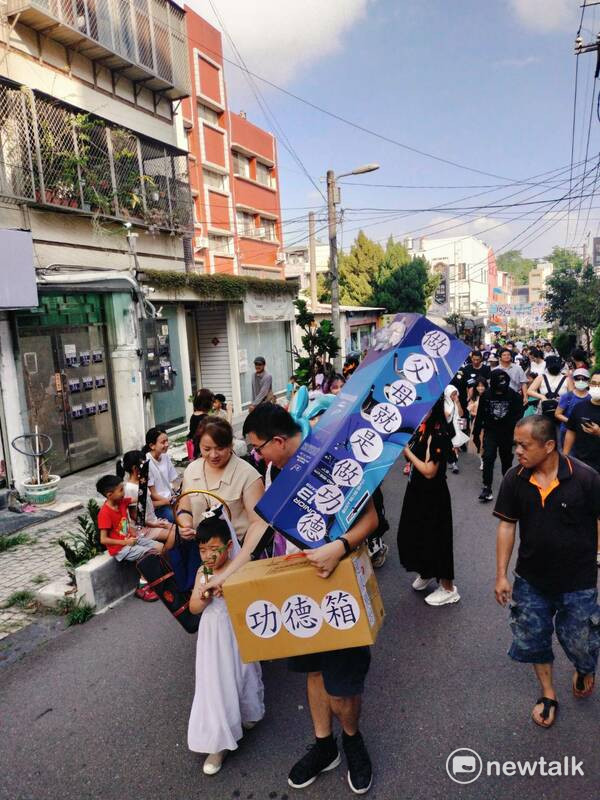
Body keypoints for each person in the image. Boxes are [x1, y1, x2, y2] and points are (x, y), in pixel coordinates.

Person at [207, 403, 378, 794]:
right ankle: (324, 746)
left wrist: (339, 546)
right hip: (296, 587)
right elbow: (260, 527)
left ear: (278, 441)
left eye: (257, 448)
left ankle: (352, 740)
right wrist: (227, 575)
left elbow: (370, 519)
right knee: (313, 671)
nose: (256, 455)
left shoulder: (334, 458)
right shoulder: (274, 470)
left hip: (339, 583)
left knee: (343, 682)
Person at [494, 416, 600, 728]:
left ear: (549, 445)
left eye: (523, 445)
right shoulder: (515, 479)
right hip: (531, 581)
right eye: (515, 445)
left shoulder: (585, 478)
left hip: (578, 583)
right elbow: (506, 525)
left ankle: (584, 667)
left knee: (581, 642)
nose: (517, 452)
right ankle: (548, 693)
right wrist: (501, 574)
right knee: (534, 640)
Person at [188, 511, 265, 776]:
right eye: (202, 549)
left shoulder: (240, 566)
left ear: (230, 546)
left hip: (239, 631)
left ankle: (247, 711)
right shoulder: (203, 571)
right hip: (213, 638)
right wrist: (205, 595)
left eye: (213, 549)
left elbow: (255, 601)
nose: (208, 555)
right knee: (216, 683)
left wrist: (231, 590)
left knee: (244, 673)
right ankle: (218, 743)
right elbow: (193, 607)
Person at [171, 417, 265, 590]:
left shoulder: (247, 475)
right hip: (203, 554)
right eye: (207, 449)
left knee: (232, 602)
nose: (213, 455)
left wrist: (241, 559)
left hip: (236, 555)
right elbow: (185, 507)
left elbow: (258, 523)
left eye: (220, 448)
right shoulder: (192, 470)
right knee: (202, 596)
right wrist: (185, 524)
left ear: (231, 445)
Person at [398, 397, 460, 606]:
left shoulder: (438, 432)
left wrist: (405, 450)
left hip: (433, 496)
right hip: (416, 492)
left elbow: (429, 471)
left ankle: (449, 589)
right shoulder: (422, 428)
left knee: (437, 540)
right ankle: (426, 571)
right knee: (417, 535)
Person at [96, 474, 161, 602]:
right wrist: (125, 541)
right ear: (109, 495)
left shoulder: (121, 502)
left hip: (131, 540)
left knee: (160, 547)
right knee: (150, 554)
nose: (124, 492)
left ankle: (155, 580)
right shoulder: (104, 513)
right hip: (121, 548)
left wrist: (144, 488)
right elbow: (103, 539)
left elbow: (137, 499)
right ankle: (141, 587)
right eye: (121, 490)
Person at [473, 370, 523, 503]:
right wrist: (476, 433)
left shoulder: (513, 395)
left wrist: (516, 433)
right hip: (491, 431)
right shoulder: (486, 395)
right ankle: (487, 487)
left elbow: (519, 414)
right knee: (488, 457)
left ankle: (508, 486)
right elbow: (480, 415)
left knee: (506, 459)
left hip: (507, 432)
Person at [116, 450, 171, 541]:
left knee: (181, 531)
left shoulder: (141, 482)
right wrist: (154, 524)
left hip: (153, 521)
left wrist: (165, 501)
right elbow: (134, 516)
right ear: (135, 468)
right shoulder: (130, 489)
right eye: (145, 465)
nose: (147, 468)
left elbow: (146, 503)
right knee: (176, 535)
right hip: (144, 529)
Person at [563, 369, 600, 474]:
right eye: (594, 383)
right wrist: (565, 457)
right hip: (582, 462)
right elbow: (571, 431)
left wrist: (598, 432)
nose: (597, 387)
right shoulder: (579, 407)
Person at [144, 427, 179, 523]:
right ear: (152, 445)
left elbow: (174, 481)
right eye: (163, 442)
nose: (167, 444)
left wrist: (179, 495)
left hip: (171, 500)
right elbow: (154, 495)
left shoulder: (165, 456)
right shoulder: (146, 463)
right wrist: (169, 501)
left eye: (167, 441)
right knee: (178, 518)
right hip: (160, 506)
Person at [555, 369, 590, 449]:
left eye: (584, 379)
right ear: (574, 380)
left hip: (585, 433)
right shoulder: (567, 396)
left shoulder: (591, 397)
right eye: (578, 378)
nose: (581, 381)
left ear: (588, 381)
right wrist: (572, 421)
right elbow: (557, 414)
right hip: (566, 431)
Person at [443, 384, 467, 474]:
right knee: (448, 446)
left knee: (455, 445)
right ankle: (450, 461)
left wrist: (457, 403)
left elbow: (461, 414)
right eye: (453, 394)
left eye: (456, 394)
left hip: (456, 426)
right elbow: (446, 416)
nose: (455, 396)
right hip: (447, 427)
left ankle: (454, 463)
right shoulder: (444, 403)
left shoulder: (457, 402)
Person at [188, 389, 215, 459]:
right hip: (204, 450)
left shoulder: (193, 416)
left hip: (196, 449)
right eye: (212, 401)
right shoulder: (206, 419)